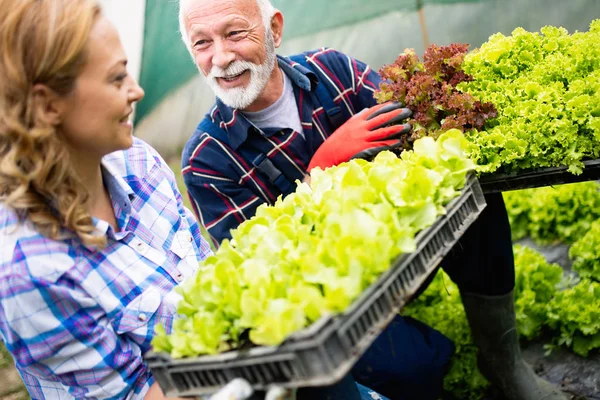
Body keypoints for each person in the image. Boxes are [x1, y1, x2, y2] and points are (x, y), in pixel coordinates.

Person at [178, 0, 568, 399]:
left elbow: (418, 137)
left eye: (234, 33)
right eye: (202, 43)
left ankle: (506, 364)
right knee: (419, 369)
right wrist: (322, 166)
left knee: (474, 198)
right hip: (336, 304)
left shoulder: (333, 71)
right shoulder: (206, 160)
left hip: (406, 249)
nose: (221, 58)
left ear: (274, 30)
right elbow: (262, 269)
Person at [0, 1, 298, 399]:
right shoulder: (31, 271)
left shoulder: (136, 160)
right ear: (48, 105)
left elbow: (211, 281)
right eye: (117, 78)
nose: (137, 91)